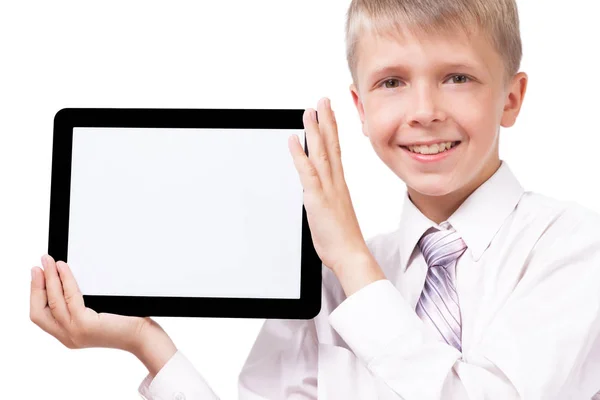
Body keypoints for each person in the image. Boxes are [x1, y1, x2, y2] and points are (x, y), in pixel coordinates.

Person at [30, 0, 600, 398]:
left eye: (457, 77)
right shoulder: (327, 284)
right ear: (359, 106)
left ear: (511, 97)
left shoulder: (571, 248)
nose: (424, 110)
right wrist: (146, 344)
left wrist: (354, 262)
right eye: (391, 82)